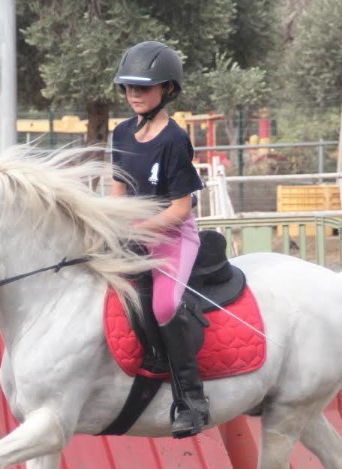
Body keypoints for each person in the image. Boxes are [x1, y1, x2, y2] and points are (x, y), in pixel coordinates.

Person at [111, 40, 209, 438]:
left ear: (167, 89)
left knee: (166, 304)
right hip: (131, 229)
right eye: (129, 87)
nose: (134, 94)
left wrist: (136, 229)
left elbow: (180, 209)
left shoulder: (174, 140)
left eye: (144, 87)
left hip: (172, 234)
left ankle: (191, 398)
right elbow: (118, 189)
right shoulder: (121, 133)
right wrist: (111, 224)